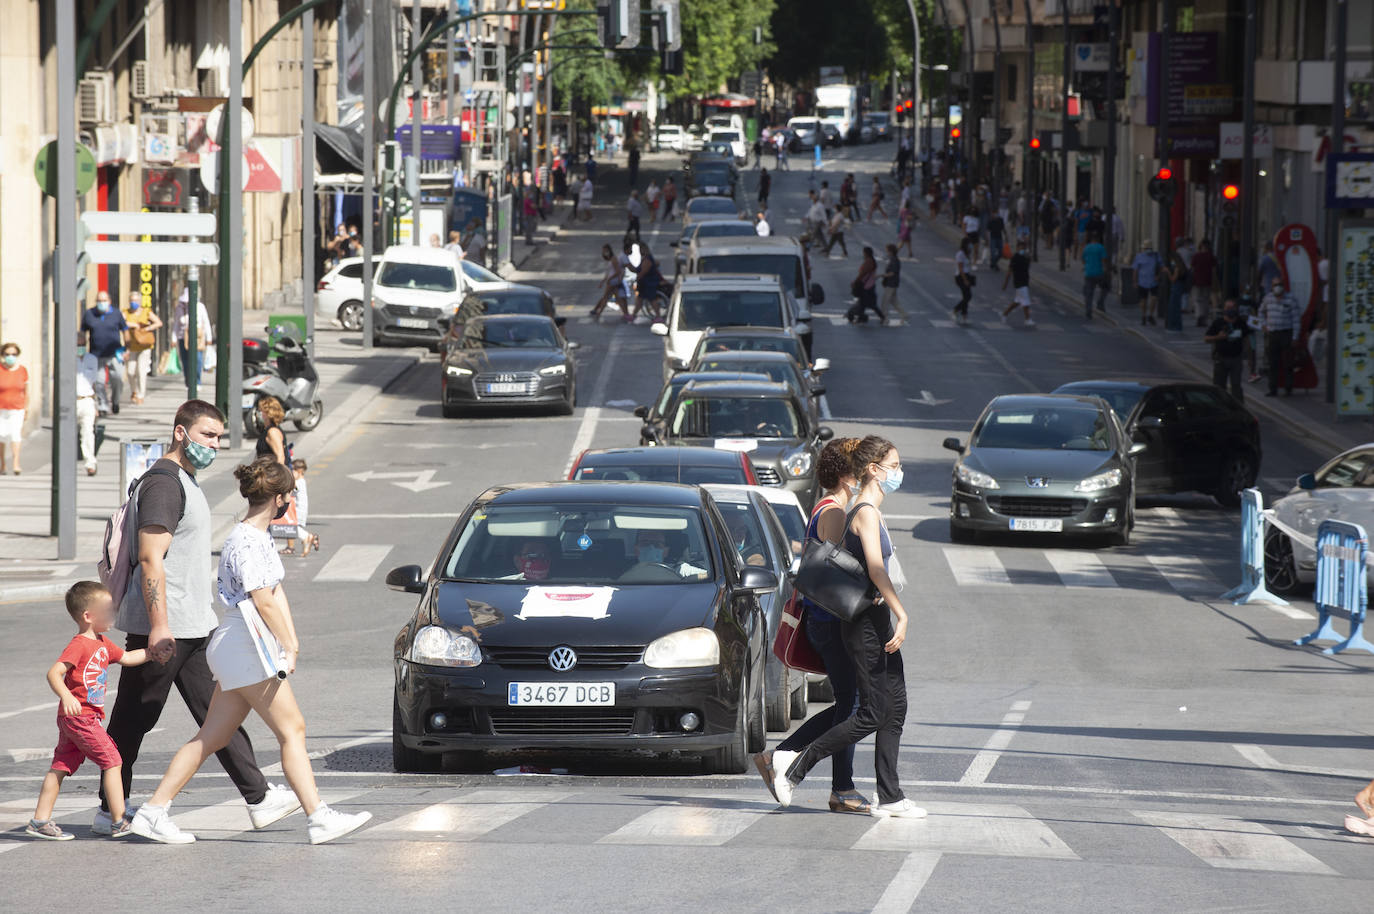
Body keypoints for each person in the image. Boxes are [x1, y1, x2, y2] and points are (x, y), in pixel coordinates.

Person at [129, 456, 372, 845]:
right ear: (280, 499)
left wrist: (291, 643)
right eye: (289, 495)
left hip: (239, 643)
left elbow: (276, 593)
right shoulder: (247, 540)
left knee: (211, 736)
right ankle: (319, 817)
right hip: (245, 642)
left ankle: (154, 810)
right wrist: (288, 644)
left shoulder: (253, 537)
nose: (290, 500)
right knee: (293, 730)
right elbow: (264, 600)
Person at [98, 400, 299, 836]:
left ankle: (259, 796)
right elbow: (151, 559)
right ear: (180, 433)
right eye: (208, 435)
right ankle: (111, 810)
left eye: (219, 437)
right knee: (135, 718)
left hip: (194, 622)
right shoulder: (165, 485)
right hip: (167, 627)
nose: (215, 444)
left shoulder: (184, 482)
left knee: (218, 714)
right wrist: (158, 626)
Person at [767, 436, 919, 818]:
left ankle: (891, 795)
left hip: (872, 619)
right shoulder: (861, 511)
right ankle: (792, 764)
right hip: (861, 622)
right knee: (866, 711)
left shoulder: (866, 510)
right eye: (895, 465)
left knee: (894, 707)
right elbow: (874, 569)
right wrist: (901, 612)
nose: (899, 473)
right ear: (872, 470)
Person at [753, 439, 871, 815]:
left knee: (847, 706)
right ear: (845, 475)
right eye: (860, 470)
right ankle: (822, 777)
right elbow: (845, 573)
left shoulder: (826, 506)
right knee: (851, 709)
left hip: (824, 620)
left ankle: (833, 783)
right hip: (831, 621)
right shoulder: (834, 512)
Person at [26, 582, 149, 840]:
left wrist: (152, 652)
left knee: (60, 766)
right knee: (113, 760)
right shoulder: (80, 644)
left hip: (78, 718)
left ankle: (39, 821)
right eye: (107, 610)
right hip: (80, 717)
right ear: (88, 616)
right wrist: (67, 695)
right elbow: (54, 673)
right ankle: (118, 821)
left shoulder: (103, 642)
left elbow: (126, 658)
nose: (112, 614)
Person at [80, 290, 128, 414]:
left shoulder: (116, 314)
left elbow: (125, 330)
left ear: (109, 301)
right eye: (99, 301)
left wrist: (126, 349)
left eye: (104, 300)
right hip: (96, 354)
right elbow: (82, 332)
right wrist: (81, 349)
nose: (102, 303)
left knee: (117, 378)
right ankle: (103, 405)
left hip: (115, 353)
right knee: (99, 382)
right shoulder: (89, 314)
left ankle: (115, 401)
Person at [1259, 279, 1299, 397]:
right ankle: (1273, 388)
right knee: (1272, 363)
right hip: (1273, 333)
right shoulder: (1268, 298)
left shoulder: (1291, 299)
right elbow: (1261, 311)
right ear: (1272, 286)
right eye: (1275, 285)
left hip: (1286, 332)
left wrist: (1295, 337)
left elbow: (1296, 319)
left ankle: (1288, 388)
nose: (1278, 287)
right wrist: (1263, 324)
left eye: (1280, 284)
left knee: (1288, 362)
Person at [122, 292, 162, 405]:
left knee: (141, 370)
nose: (133, 303)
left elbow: (159, 323)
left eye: (135, 300)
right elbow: (120, 322)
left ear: (140, 301)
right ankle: (134, 391)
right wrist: (132, 325)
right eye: (131, 300)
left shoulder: (146, 311)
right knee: (130, 371)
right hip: (131, 346)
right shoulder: (126, 312)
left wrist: (148, 328)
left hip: (145, 346)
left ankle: (140, 395)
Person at [1204, 300, 1249, 402]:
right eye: (1228, 308)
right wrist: (1218, 337)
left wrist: (1248, 357)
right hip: (1221, 358)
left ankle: (1238, 407)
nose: (1230, 310)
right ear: (1224, 309)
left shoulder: (1241, 323)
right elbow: (1206, 338)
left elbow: (1246, 338)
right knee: (1219, 386)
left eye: (1232, 307)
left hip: (1236, 358)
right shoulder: (1218, 322)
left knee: (1236, 385)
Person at [173, 289, 212, 396]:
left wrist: (209, 338)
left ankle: (197, 381)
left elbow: (206, 322)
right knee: (185, 361)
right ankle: (188, 381)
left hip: (197, 337)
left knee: (198, 359)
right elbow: (176, 323)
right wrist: (173, 338)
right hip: (183, 337)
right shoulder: (180, 308)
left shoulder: (200, 307)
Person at [0, 341, 28, 474]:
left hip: (17, 408)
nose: (10, 356)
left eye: (13, 354)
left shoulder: (22, 370)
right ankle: (3, 464)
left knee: (15, 434)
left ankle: (16, 463)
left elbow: (26, 390)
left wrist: (26, 407)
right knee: (1, 435)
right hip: (1, 408)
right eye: (7, 354)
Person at [77, 347, 102, 476]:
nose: (79, 347)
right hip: (71, 400)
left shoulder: (92, 359)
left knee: (88, 432)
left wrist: (96, 404)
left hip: (87, 400)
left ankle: (90, 463)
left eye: (82, 343)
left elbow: (94, 383)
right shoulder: (66, 358)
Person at [285, 458, 318, 557]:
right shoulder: (301, 481)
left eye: (293, 471)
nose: (291, 473)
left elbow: (292, 491)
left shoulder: (298, 483)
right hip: (299, 509)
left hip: (298, 510)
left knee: (292, 527)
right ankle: (307, 543)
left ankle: (308, 537)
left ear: (298, 471)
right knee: (293, 527)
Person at [592, 243, 630, 320]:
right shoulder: (610, 259)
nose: (604, 252)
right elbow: (608, 272)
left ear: (609, 250)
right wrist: (603, 282)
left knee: (606, 297)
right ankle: (626, 314)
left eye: (605, 250)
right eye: (603, 251)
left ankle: (598, 313)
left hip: (613, 281)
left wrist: (609, 279)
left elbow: (618, 271)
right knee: (618, 298)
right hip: (613, 280)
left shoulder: (614, 259)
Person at [845, 247, 882, 324]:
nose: (863, 254)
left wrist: (855, 281)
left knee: (867, 304)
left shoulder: (869, 261)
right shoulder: (871, 261)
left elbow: (862, 274)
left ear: (866, 253)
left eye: (864, 252)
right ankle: (861, 317)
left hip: (866, 285)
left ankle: (855, 315)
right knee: (864, 304)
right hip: (869, 285)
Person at [1001, 242, 1035, 327]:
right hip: (1019, 282)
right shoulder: (1015, 258)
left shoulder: (1026, 257)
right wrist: (1005, 283)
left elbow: (1028, 266)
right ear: (1017, 248)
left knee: (1017, 302)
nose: (1022, 250)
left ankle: (1004, 314)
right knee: (1025, 302)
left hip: (1024, 281)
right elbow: (1009, 271)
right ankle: (1027, 319)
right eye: (1021, 248)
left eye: (1024, 248)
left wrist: (1029, 258)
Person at [1131, 239, 1163, 326]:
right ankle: (1144, 315)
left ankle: (1151, 315)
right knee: (1143, 300)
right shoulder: (1139, 257)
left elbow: (1161, 267)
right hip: (1142, 281)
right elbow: (1135, 270)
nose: (1147, 250)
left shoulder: (1156, 256)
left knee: (1154, 298)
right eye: (1146, 248)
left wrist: (1159, 276)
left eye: (1148, 248)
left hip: (1153, 281)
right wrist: (1135, 281)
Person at [255, 396, 290, 468]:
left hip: (272, 475)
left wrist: (277, 477)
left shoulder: (273, 432)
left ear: (268, 413)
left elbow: (281, 458)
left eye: (260, 410)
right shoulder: (266, 430)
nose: (258, 413)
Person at [1190, 239, 1218, 326]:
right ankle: (1204, 318)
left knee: (1198, 300)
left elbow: (1192, 268)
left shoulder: (1196, 256)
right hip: (1207, 280)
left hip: (1197, 281)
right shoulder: (1211, 256)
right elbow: (1214, 269)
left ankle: (1199, 315)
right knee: (1206, 299)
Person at [1081, 231, 1108, 319]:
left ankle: (1088, 310)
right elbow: (1104, 260)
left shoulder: (1087, 247)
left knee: (1088, 293)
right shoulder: (1101, 247)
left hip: (1089, 272)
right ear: (1098, 239)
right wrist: (1105, 270)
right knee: (1106, 287)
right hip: (1099, 272)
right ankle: (1100, 301)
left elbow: (1083, 260)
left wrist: (1086, 265)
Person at [879, 243, 907, 325]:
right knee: (894, 301)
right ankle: (904, 314)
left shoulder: (894, 260)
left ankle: (885, 318)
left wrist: (881, 275)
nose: (886, 252)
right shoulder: (893, 259)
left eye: (887, 251)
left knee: (885, 301)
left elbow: (892, 273)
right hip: (892, 283)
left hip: (891, 283)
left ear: (891, 251)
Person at [1165, 244, 1189, 332]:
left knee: (1174, 307)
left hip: (1176, 288)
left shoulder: (1177, 268)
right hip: (1178, 287)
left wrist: (1168, 272)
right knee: (1175, 307)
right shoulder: (1180, 267)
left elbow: (1173, 279)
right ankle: (1175, 326)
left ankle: (1175, 326)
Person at [953, 236, 974, 325]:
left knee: (967, 296)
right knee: (967, 296)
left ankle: (964, 315)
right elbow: (960, 268)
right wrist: (965, 280)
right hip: (961, 277)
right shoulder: (960, 254)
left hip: (967, 275)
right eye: (969, 244)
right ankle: (956, 309)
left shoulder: (967, 254)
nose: (970, 245)